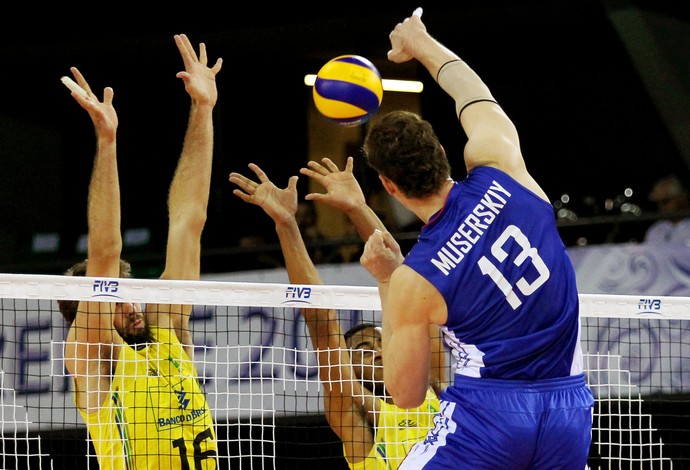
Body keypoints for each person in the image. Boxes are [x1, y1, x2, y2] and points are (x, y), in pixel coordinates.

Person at [357, 8, 594, 469]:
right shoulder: (502, 166)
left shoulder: (415, 277)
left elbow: (405, 396)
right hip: (569, 409)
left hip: (490, 418)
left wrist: (389, 280)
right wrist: (420, 43)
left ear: (388, 186)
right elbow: (472, 92)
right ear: (443, 152)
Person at [58, 33, 222, 469]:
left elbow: (190, 220)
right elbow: (105, 250)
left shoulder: (165, 329)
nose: (131, 303)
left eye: (127, 289)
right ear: (85, 313)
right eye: (114, 297)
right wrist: (107, 142)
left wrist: (203, 109)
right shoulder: (94, 355)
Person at [229, 157, 446, 469]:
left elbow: (405, 279)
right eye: (363, 349)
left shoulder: (433, 388)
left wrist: (357, 207)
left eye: (379, 342)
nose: (377, 352)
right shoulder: (357, 420)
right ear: (349, 368)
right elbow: (322, 325)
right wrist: (287, 224)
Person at [644, 173, 690, 243]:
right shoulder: (656, 230)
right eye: (658, 203)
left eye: (665, 201)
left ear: (680, 198)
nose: (661, 207)